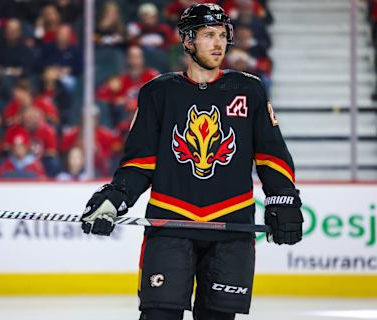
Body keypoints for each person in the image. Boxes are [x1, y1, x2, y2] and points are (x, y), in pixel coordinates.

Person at [80, 4, 303, 320]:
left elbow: (271, 155)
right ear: (187, 41)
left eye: (223, 35)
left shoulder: (249, 89)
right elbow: (140, 163)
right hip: (171, 223)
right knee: (159, 316)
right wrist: (113, 199)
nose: (218, 43)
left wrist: (283, 200)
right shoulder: (159, 92)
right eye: (209, 35)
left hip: (231, 225)